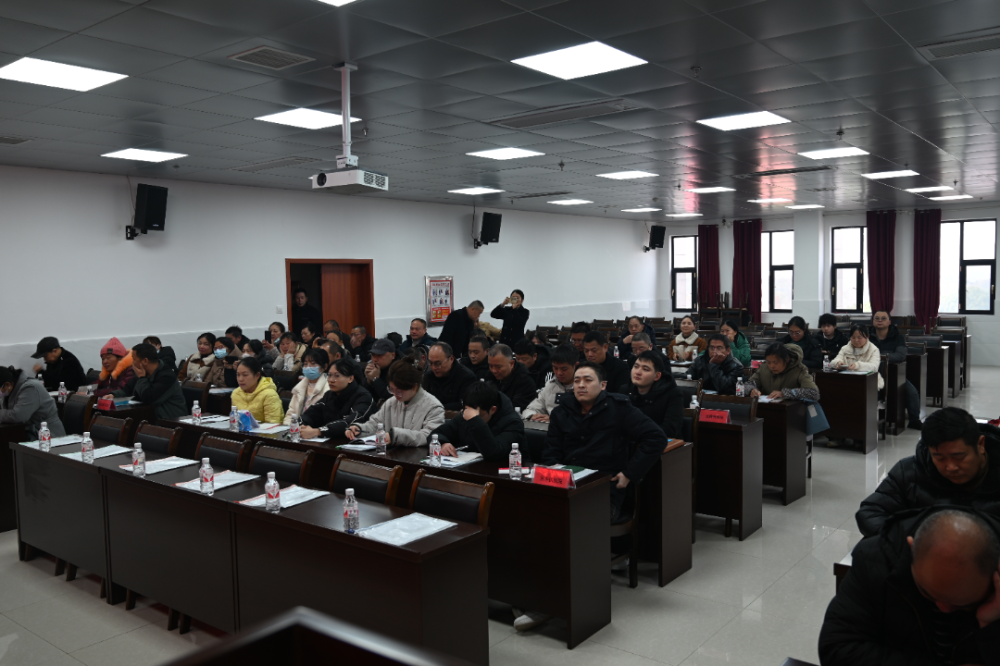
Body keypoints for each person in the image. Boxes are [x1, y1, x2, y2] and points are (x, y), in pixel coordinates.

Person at [819, 507, 1000, 666]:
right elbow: (837, 648)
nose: (943, 608)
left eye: (963, 604)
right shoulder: (875, 561)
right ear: (912, 549)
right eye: (927, 592)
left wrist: (991, 628)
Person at [856, 407, 1000, 537]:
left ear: (981, 445)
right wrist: (908, 543)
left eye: (959, 457)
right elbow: (871, 512)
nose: (951, 467)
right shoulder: (910, 472)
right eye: (940, 458)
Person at [348, 357, 445, 446]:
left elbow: (429, 436)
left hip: (417, 457)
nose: (395, 394)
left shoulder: (433, 407)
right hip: (389, 454)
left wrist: (395, 435)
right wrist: (359, 429)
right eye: (391, 389)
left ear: (414, 387)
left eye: (399, 391)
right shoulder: (391, 403)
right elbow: (375, 425)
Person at [432, 382, 523, 462]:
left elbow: (494, 453)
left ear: (493, 410)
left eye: (479, 415)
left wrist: (476, 420)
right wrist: (443, 443)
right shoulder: (466, 415)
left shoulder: (513, 423)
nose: (471, 416)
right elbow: (436, 434)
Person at [300, 358, 376, 440]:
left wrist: (318, 431)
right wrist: (301, 425)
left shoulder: (363, 397)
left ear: (350, 378)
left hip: (356, 443)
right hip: (330, 442)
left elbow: (350, 423)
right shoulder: (329, 395)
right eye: (329, 375)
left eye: (337, 376)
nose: (331, 380)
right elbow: (312, 413)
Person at [871, 310, 923, 430]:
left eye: (883, 318)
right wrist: (884, 356)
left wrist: (878, 357)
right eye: (877, 318)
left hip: (893, 374)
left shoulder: (898, 337)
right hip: (872, 374)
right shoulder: (867, 336)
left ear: (889, 322)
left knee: (912, 393)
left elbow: (900, 355)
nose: (880, 320)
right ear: (873, 321)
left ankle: (914, 420)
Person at [621, 350, 684, 438]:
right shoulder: (624, 390)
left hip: (661, 443)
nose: (638, 372)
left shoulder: (673, 394)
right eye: (636, 367)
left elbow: (670, 429)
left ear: (657, 376)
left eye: (645, 369)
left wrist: (636, 433)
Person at [0, 366, 66, 438]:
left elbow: (18, 416)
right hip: (26, 431)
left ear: (7, 385)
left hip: (47, 434)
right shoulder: (9, 390)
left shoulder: (30, 387)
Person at [125, 343, 188, 420]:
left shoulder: (167, 376)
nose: (132, 363)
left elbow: (148, 398)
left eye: (134, 359)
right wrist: (113, 395)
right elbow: (128, 389)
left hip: (171, 420)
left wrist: (141, 378)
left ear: (145, 361)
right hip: (152, 416)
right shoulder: (144, 373)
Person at [523, 344, 577, 422]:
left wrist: (554, 419)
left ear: (575, 365)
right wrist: (533, 416)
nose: (559, 373)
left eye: (564, 369)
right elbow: (531, 409)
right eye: (555, 368)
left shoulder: (583, 387)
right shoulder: (550, 384)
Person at [748, 343, 820, 401]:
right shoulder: (764, 367)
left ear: (787, 359)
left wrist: (785, 393)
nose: (771, 366)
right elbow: (749, 384)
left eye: (775, 363)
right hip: (768, 407)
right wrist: (752, 390)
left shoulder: (799, 369)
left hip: (794, 409)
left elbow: (814, 393)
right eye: (768, 362)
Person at [423, 342, 476, 411]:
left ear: (451, 359)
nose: (433, 368)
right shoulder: (429, 376)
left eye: (438, 364)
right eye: (430, 363)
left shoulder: (467, 377)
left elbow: (463, 405)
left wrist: (435, 408)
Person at [231, 356, 285, 424]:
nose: (240, 379)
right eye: (238, 375)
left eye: (245, 375)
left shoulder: (269, 395)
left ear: (257, 375)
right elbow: (235, 420)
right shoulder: (236, 393)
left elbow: (273, 424)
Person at [830, 324, 884, 390]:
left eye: (859, 338)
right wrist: (838, 363)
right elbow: (833, 362)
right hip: (847, 381)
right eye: (853, 337)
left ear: (867, 337)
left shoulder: (873, 350)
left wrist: (858, 365)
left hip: (868, 382)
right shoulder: (845, 349)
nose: (856, 340)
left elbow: (874, 367)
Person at [284, 348, 330, 426]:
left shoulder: (328, 388)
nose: (308, 367)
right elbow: (291, 413)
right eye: (305, 364)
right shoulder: (299, 388)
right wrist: (288, 428)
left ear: (325, 366)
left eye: (313, 364)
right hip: (296, 429)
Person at [486, 344, 538, 411]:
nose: (493, 370)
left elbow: (515, 409)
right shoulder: (490, 375)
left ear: (511, 364)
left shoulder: (525, 382)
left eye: (498, 367)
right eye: (491, 366)